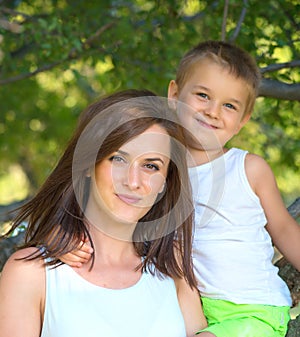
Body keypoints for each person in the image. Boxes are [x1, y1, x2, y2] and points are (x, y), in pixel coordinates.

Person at [65, 41, 300, 337]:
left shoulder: (247, 169)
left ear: (243, 120)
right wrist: (64, 237)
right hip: (184, 308)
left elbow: (284, 228)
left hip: (250, 310)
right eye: (203, 95)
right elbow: (103, 216)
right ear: (174, 95)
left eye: (229, 105)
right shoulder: (157, 171)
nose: (213, 112)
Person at [0, 89, 207, 337]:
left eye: (151, 166)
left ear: (165, 182)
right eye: (118, 159)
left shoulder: (172, 267)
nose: (133, 181)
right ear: (88, 164)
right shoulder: (31, 273)